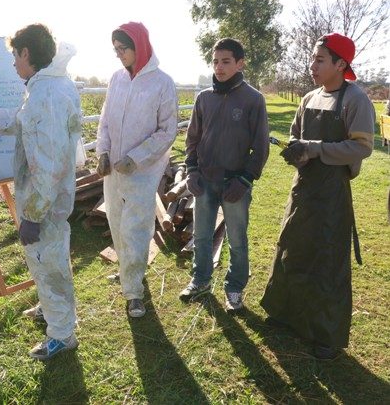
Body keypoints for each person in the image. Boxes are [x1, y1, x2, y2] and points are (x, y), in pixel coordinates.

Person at [0, 24, 81, 361]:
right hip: (49, 199)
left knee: (49, 262)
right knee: (51, 261)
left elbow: (50, 164)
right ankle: (53, 310)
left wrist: (33, 216)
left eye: (15, 55)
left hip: (45, 202)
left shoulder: (47, 94)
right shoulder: (50, 87)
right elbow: (23, 122)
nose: (13, 63)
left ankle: (62, 334)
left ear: (26, 53)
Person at [260, 33, 375, 360]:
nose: (312, 65)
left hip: (332, 192)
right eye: (312, 58)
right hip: (303, 188)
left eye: (320, 59)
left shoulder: (356, 100)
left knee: (326, 260)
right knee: (292, 248)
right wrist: (295, 151)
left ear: (340, 64)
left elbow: (362, 147)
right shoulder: (309, 97)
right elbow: (296, 135)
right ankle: (285, 314)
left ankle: (325, 335)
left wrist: (314, 149)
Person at [95, 22, 178, 318]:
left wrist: (136, 157)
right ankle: (128, 272)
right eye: (115, 50)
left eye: (123, 49)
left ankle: (134, 293)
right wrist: (103, 152)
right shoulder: (116, 79)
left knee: (136, 228)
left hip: (142, 171)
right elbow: (105, 121)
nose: (119, 55)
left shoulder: (162, 83)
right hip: (114, 171)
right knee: (117, 223)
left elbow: (167, 130)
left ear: (139, 46)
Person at [180, 38, 269, 312]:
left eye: (226, 61)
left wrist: (245, 179)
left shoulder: (253, 99)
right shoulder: (204, 98)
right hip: (205, 181)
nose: (219, 67)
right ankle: (201, 280)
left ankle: (235, 288)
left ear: (240, 64)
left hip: (235, 183)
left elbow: (261, 147)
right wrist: (191, 170)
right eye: (215, 61)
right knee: (202, 236)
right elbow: (192, 138)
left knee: (237, 239)